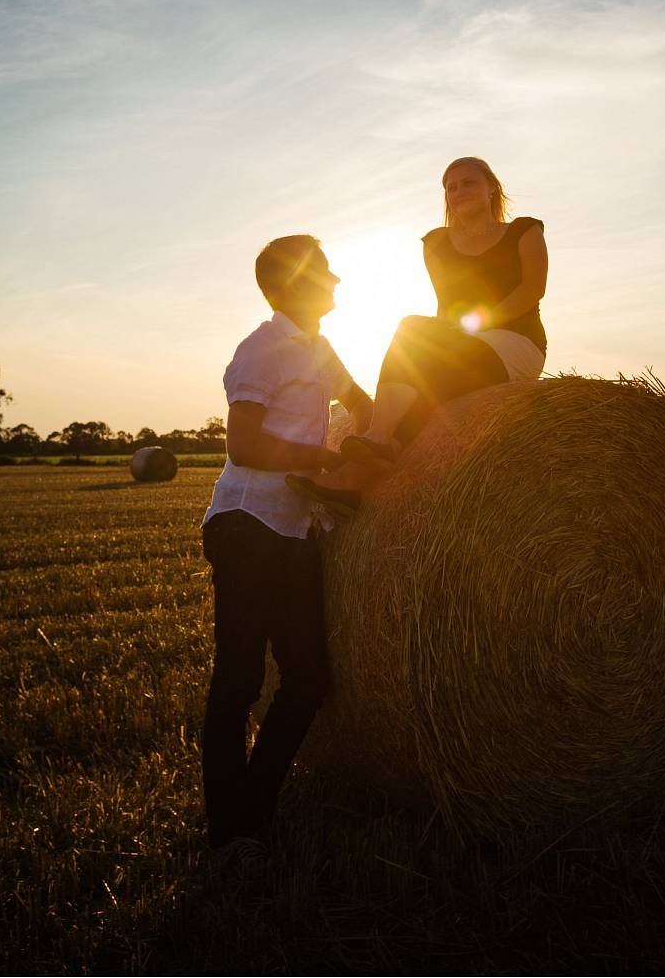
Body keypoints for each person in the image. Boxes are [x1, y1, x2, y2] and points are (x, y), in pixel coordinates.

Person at [200, 235, 372, 856]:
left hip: (296, 529)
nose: (337, 280)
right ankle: (228, 830)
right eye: (324, 270)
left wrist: (395, 444)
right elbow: (243, 445)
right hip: (246, 523)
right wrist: (325, 458)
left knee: (308, 679)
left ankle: (253, 807)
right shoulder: (261, 351)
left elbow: (363, 404)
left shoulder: (320, 350)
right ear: (292, 284)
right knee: (240, 681)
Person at [338, 156, 547, 464]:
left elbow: (532, 290)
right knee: (418, 382)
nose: (458, 191)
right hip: (465, 342)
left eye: (468, 183)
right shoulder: (437, 243)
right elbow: (446, 305)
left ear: (491, 188)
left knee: (414, 335)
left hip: (517, 343)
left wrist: (480, 324)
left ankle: (377, 439)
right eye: (451, 187)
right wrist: (434, 347)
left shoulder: (525, 231)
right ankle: (363, 469)